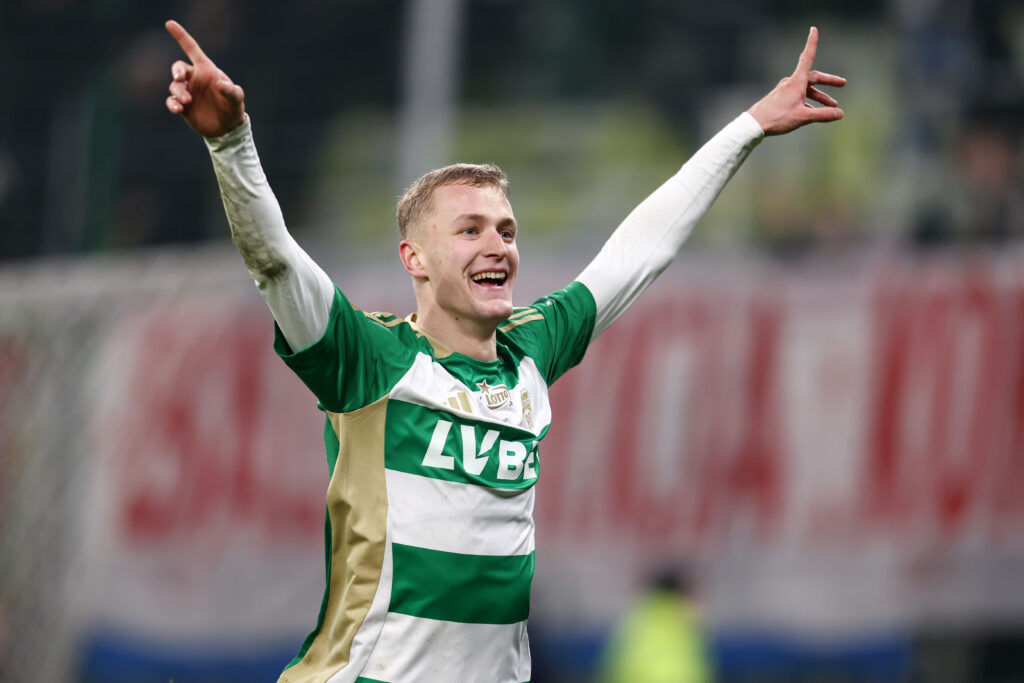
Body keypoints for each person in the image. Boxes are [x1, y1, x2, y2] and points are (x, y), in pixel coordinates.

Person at [164, 18, 844, 683]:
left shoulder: (530, 350)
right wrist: (231, 143)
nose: (498, 245)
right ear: (415, 258)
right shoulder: (368, 359)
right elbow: (277, 262)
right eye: (470, 230)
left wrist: (750, 126)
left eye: (507, 230)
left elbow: (641, 249)